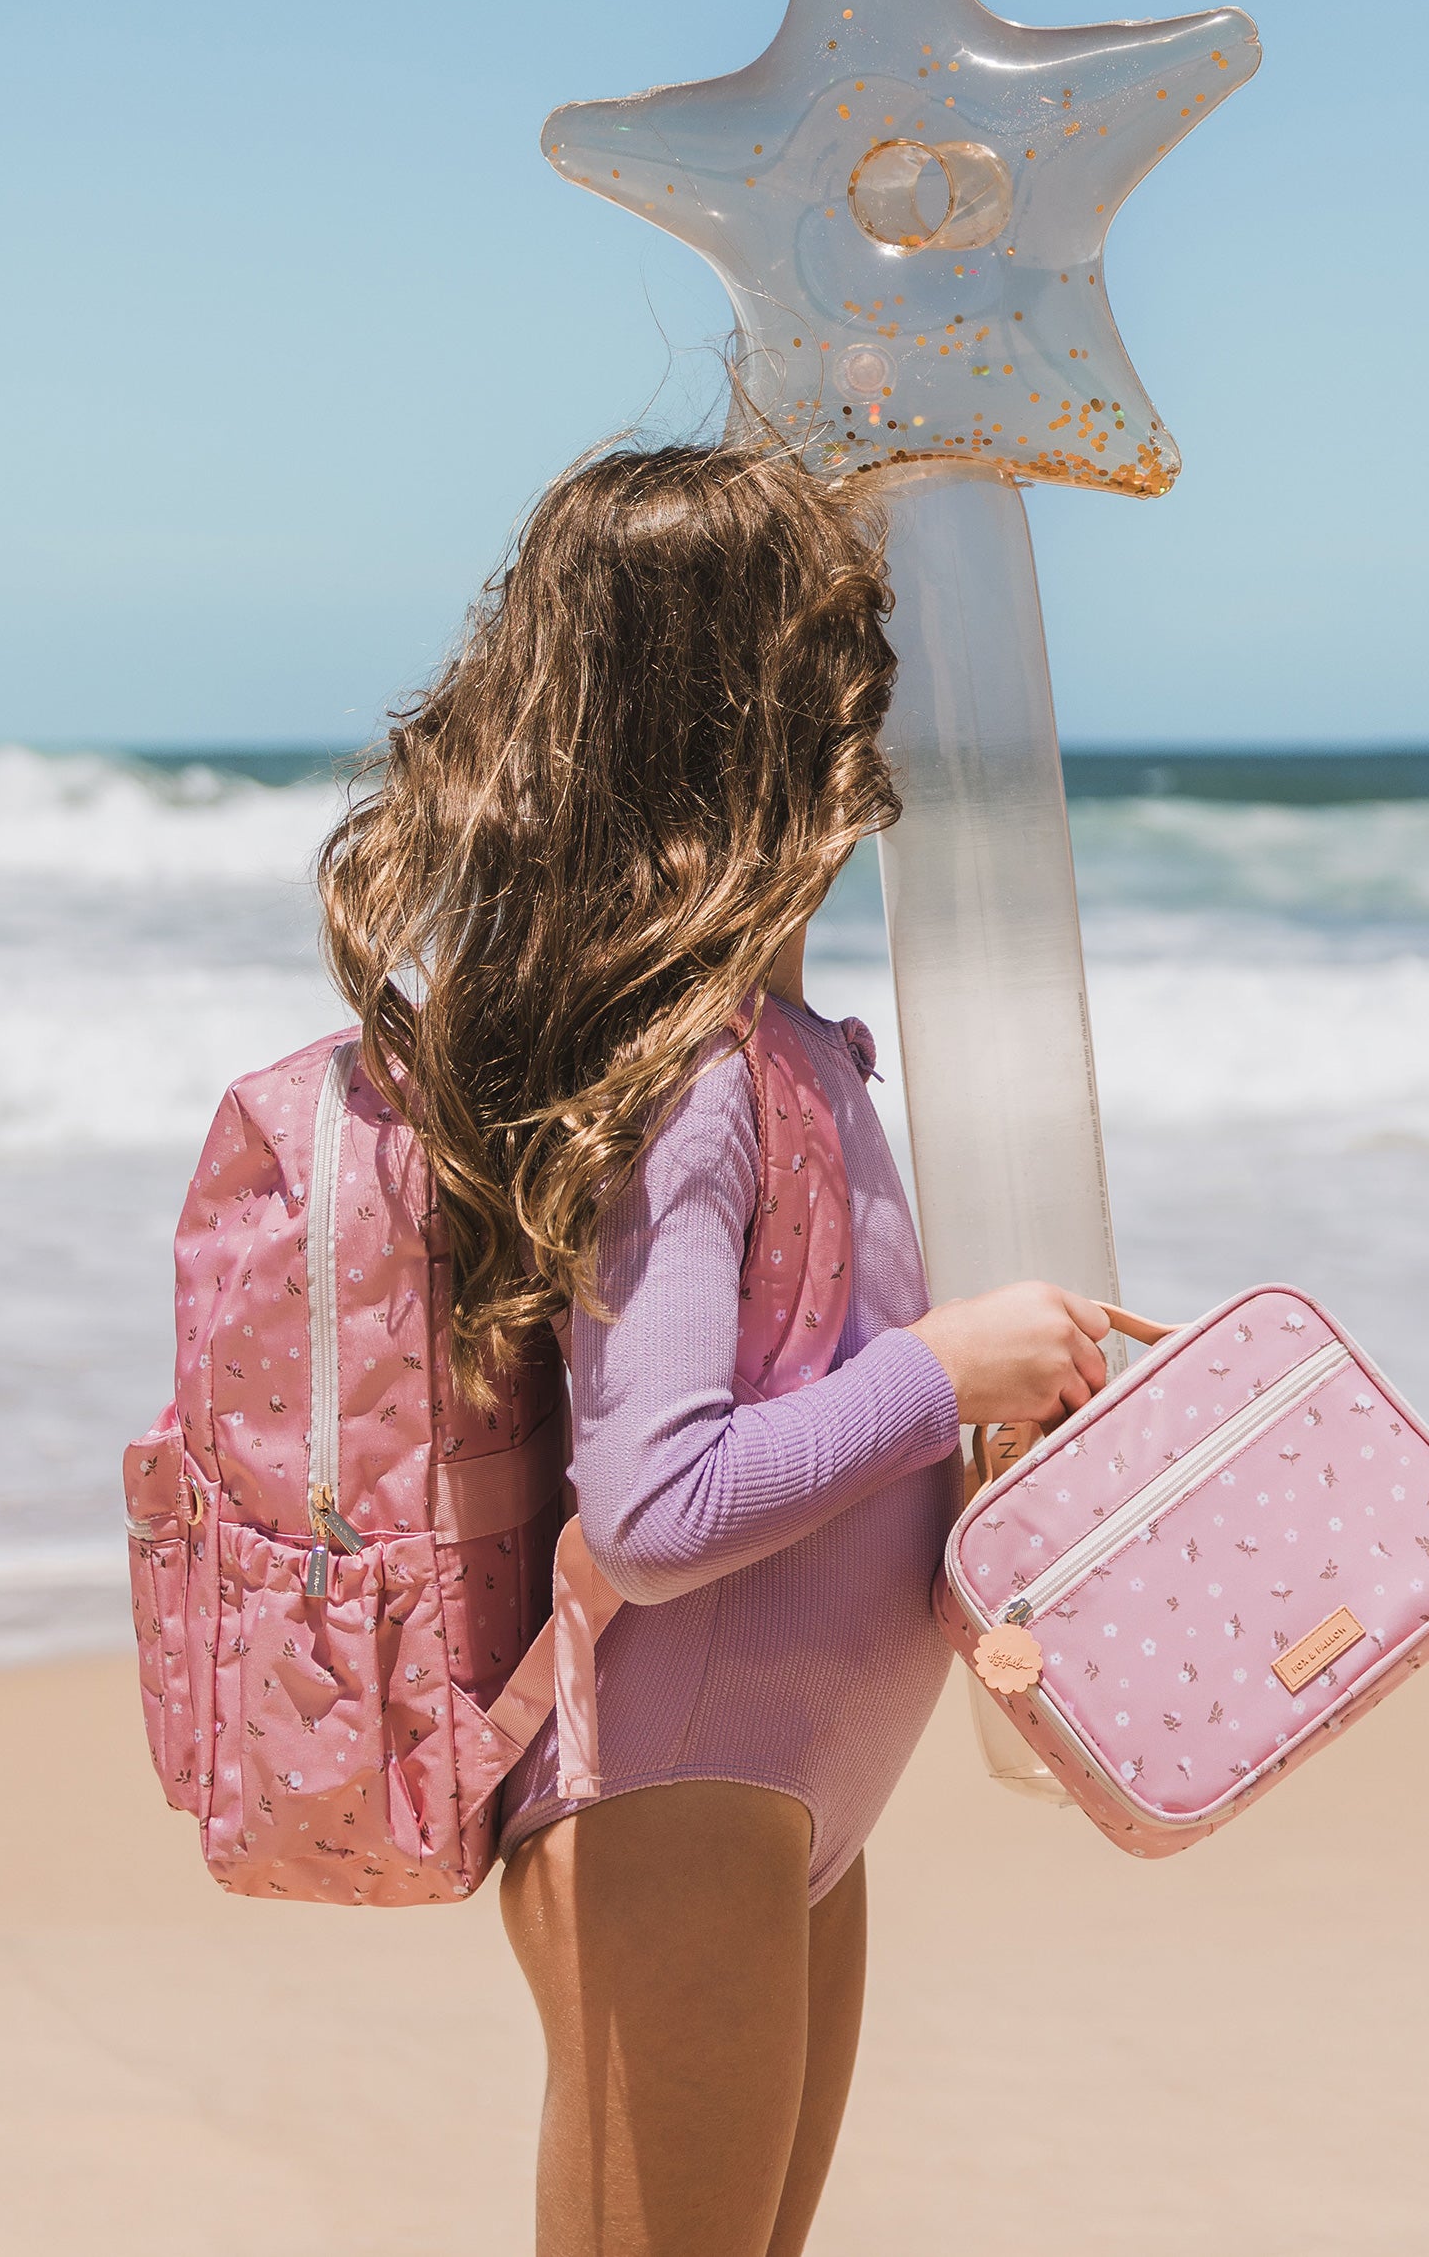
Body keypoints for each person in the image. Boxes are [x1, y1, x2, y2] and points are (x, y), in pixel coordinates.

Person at [318, 443, 1113, 2257]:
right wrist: (943, 1371)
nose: (884, 732)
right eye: (851, 671)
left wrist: (986, 1453)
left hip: (788, 1802)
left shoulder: (797, 1053)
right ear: (762, 732)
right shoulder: (690, 1086)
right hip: (674, 1796)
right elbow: (663, 1504)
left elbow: (819, 1418)